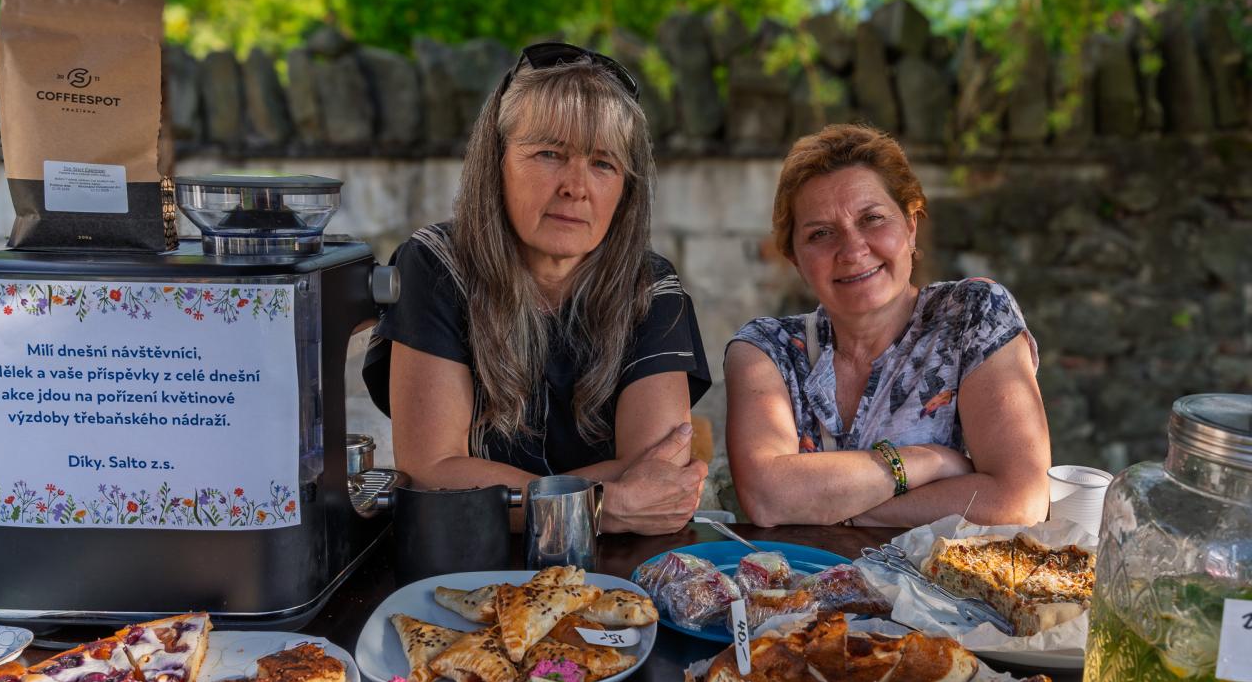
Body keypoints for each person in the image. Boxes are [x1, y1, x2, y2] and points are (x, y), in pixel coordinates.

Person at [363, 43, 710, 535]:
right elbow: (431, 473)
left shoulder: (650, 288)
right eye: (550, 153)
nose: (576, 186)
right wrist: (603, 506)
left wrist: (508, 496)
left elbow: (659, 475)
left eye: (603, 163)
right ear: (496, 162)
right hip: (472, 559)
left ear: (626, 191)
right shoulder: (436, 266)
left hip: (614, 567)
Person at [725, 124, 1050, 528]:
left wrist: (826, 507)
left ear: (911, 226)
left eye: (872, 218)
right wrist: (929, 462)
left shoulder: (972, 317)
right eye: (821, 233)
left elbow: (1019, 500)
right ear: (796, 259)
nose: (852, 250)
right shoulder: (766, 350)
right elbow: (767, 497)